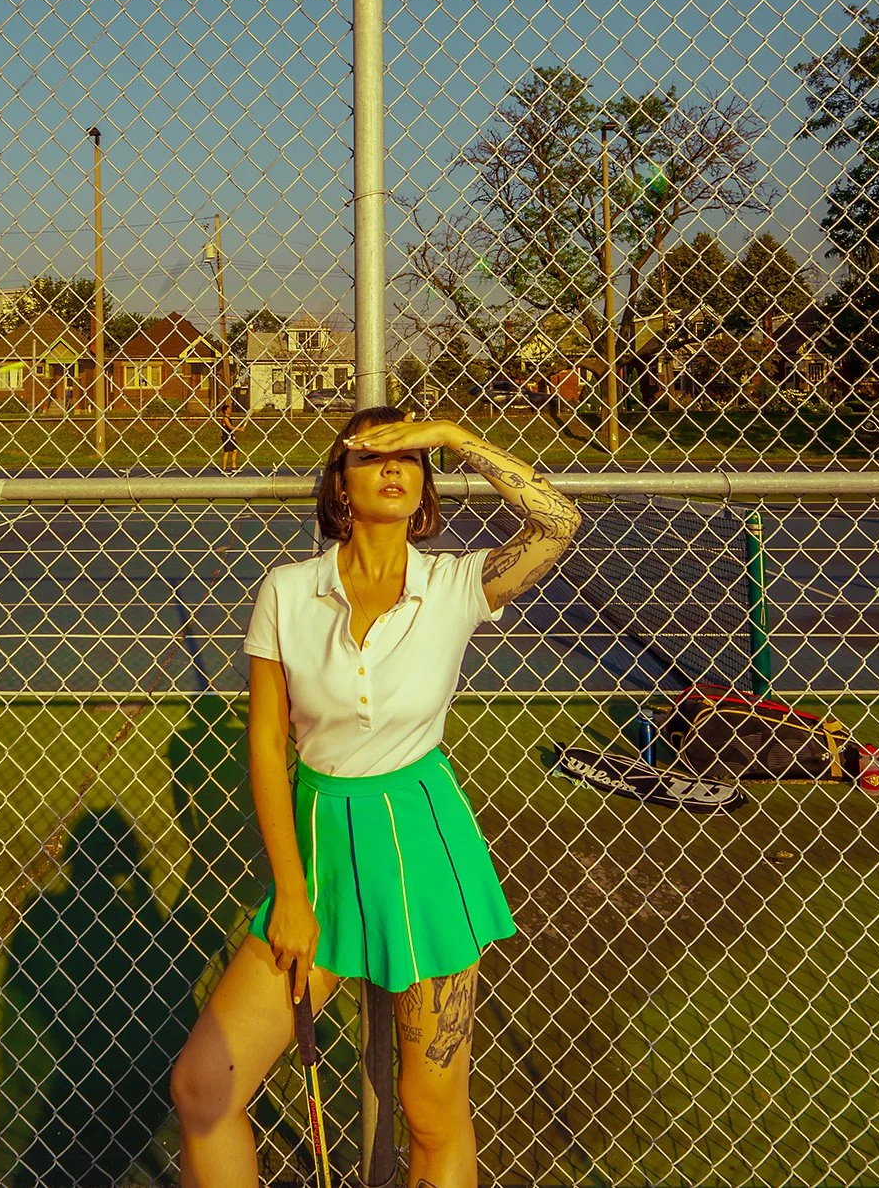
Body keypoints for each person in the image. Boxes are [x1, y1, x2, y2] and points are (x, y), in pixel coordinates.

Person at [170, 406, 580, 1188]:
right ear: (339, 486)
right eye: (370, 456)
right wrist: (290, 890)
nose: (393, 466)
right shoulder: (288, 592)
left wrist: (455, 436)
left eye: (408, 457)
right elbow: (265, 743)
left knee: (432, 1118)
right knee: (203, 1084)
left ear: (424, 484)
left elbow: (559, 520)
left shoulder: (455, 583)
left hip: (422, 854)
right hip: (320, 865)